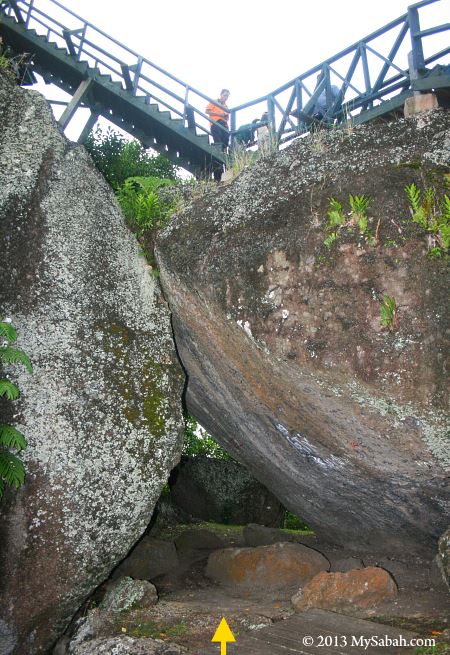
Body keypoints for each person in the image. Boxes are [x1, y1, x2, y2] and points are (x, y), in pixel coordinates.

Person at [206, 89, 230, 181]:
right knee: (218, 145)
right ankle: (217, 174)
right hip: (216, 124)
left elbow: (227, 118)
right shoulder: (214, 102)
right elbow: (207, 111)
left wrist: (225, 115)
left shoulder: (226, 106)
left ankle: (223, 170)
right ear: (221, 95)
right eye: (224, 95)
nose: (226, 97)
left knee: (224, 147)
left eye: (227, 96)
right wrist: (220, 114)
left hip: (224, 126)